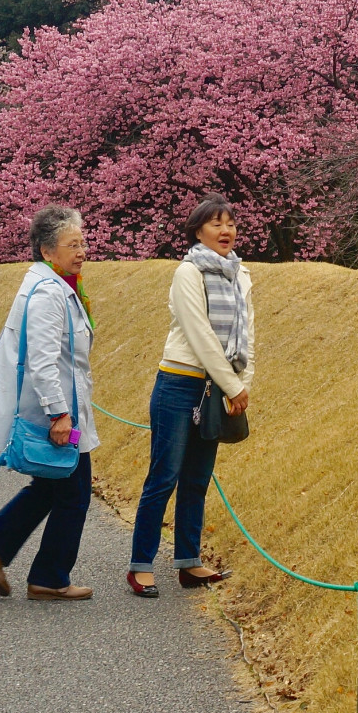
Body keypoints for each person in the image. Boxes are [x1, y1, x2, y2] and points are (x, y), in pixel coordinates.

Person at [0, 206, 98, 602]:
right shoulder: (48, 292)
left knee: (52, 487)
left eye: (83, 242)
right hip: (55, 411)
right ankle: (48, 576)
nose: (82, 250)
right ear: (46, 250)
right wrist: (59, 413)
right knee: (73, 494)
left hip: (59, 406)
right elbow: (41, 359)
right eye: (73, 244)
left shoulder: (59, 285)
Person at [126, 195, 252, 598]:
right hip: (179, 384)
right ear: (198, 230)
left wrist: (241, 381)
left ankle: (188, 562)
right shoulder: (188, 272)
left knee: (197, 479)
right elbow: (199, 334)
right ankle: (140, 565)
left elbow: (246, 334)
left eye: (230, 223)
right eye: (216, 223)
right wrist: (234, 386)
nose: (226, 230)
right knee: (164, 476)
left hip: (215, 388)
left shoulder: (240, 275)